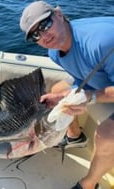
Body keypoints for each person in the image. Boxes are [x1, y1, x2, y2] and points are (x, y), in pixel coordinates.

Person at [20, 1, 114, 189]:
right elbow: (84, 77)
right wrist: (64, 96)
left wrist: (90, 97)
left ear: (59, 14)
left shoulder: (103, 41)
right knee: (55, 92)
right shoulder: (54, 52)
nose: (44, 36)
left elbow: (88, 88)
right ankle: (75, 137)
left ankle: (88, 184)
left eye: (45, 25)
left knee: (106, 135)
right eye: (35, 35)